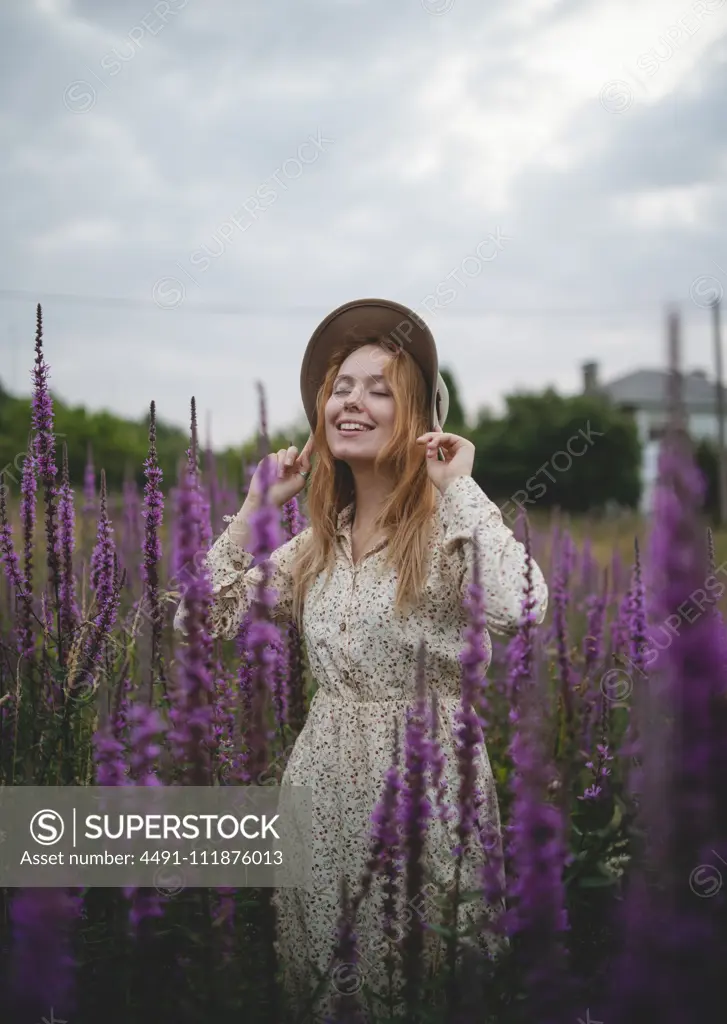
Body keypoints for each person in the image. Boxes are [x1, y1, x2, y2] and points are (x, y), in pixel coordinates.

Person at [174, 298, 549, 1021]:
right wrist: (254, 511)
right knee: (323, 988)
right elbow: (199, 620)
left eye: (379, 389)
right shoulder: (319, 542)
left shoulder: (446, 531)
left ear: (417, 418)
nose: (352, 401)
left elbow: (525, 605)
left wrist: (458, 486)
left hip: (426, 790)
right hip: (318, 789)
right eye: (341, 387)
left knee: (421, 981)